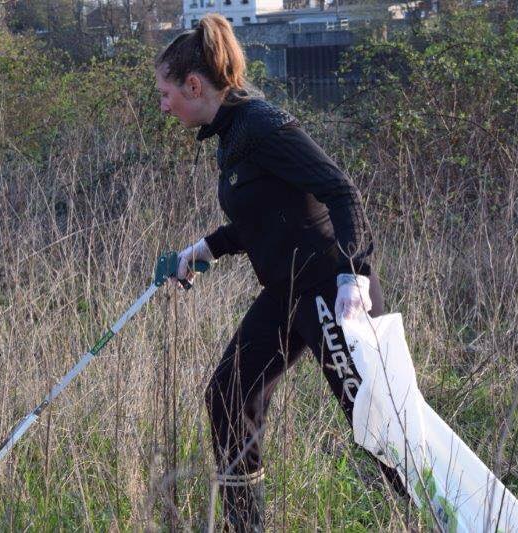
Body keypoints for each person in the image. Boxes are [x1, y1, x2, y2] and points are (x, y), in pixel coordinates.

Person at [156, 14, 405, 531]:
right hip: (288, 290)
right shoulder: (231, 132)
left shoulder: (264, 125)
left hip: (332, 290)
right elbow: (267, 217)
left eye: (165, 93)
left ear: (194, 85)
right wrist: (208, 247)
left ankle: (437, 511)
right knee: (228, 394)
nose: (163, 104)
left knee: (379, 426)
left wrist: (353, 275)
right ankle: (242, 524)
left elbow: (340, 189)